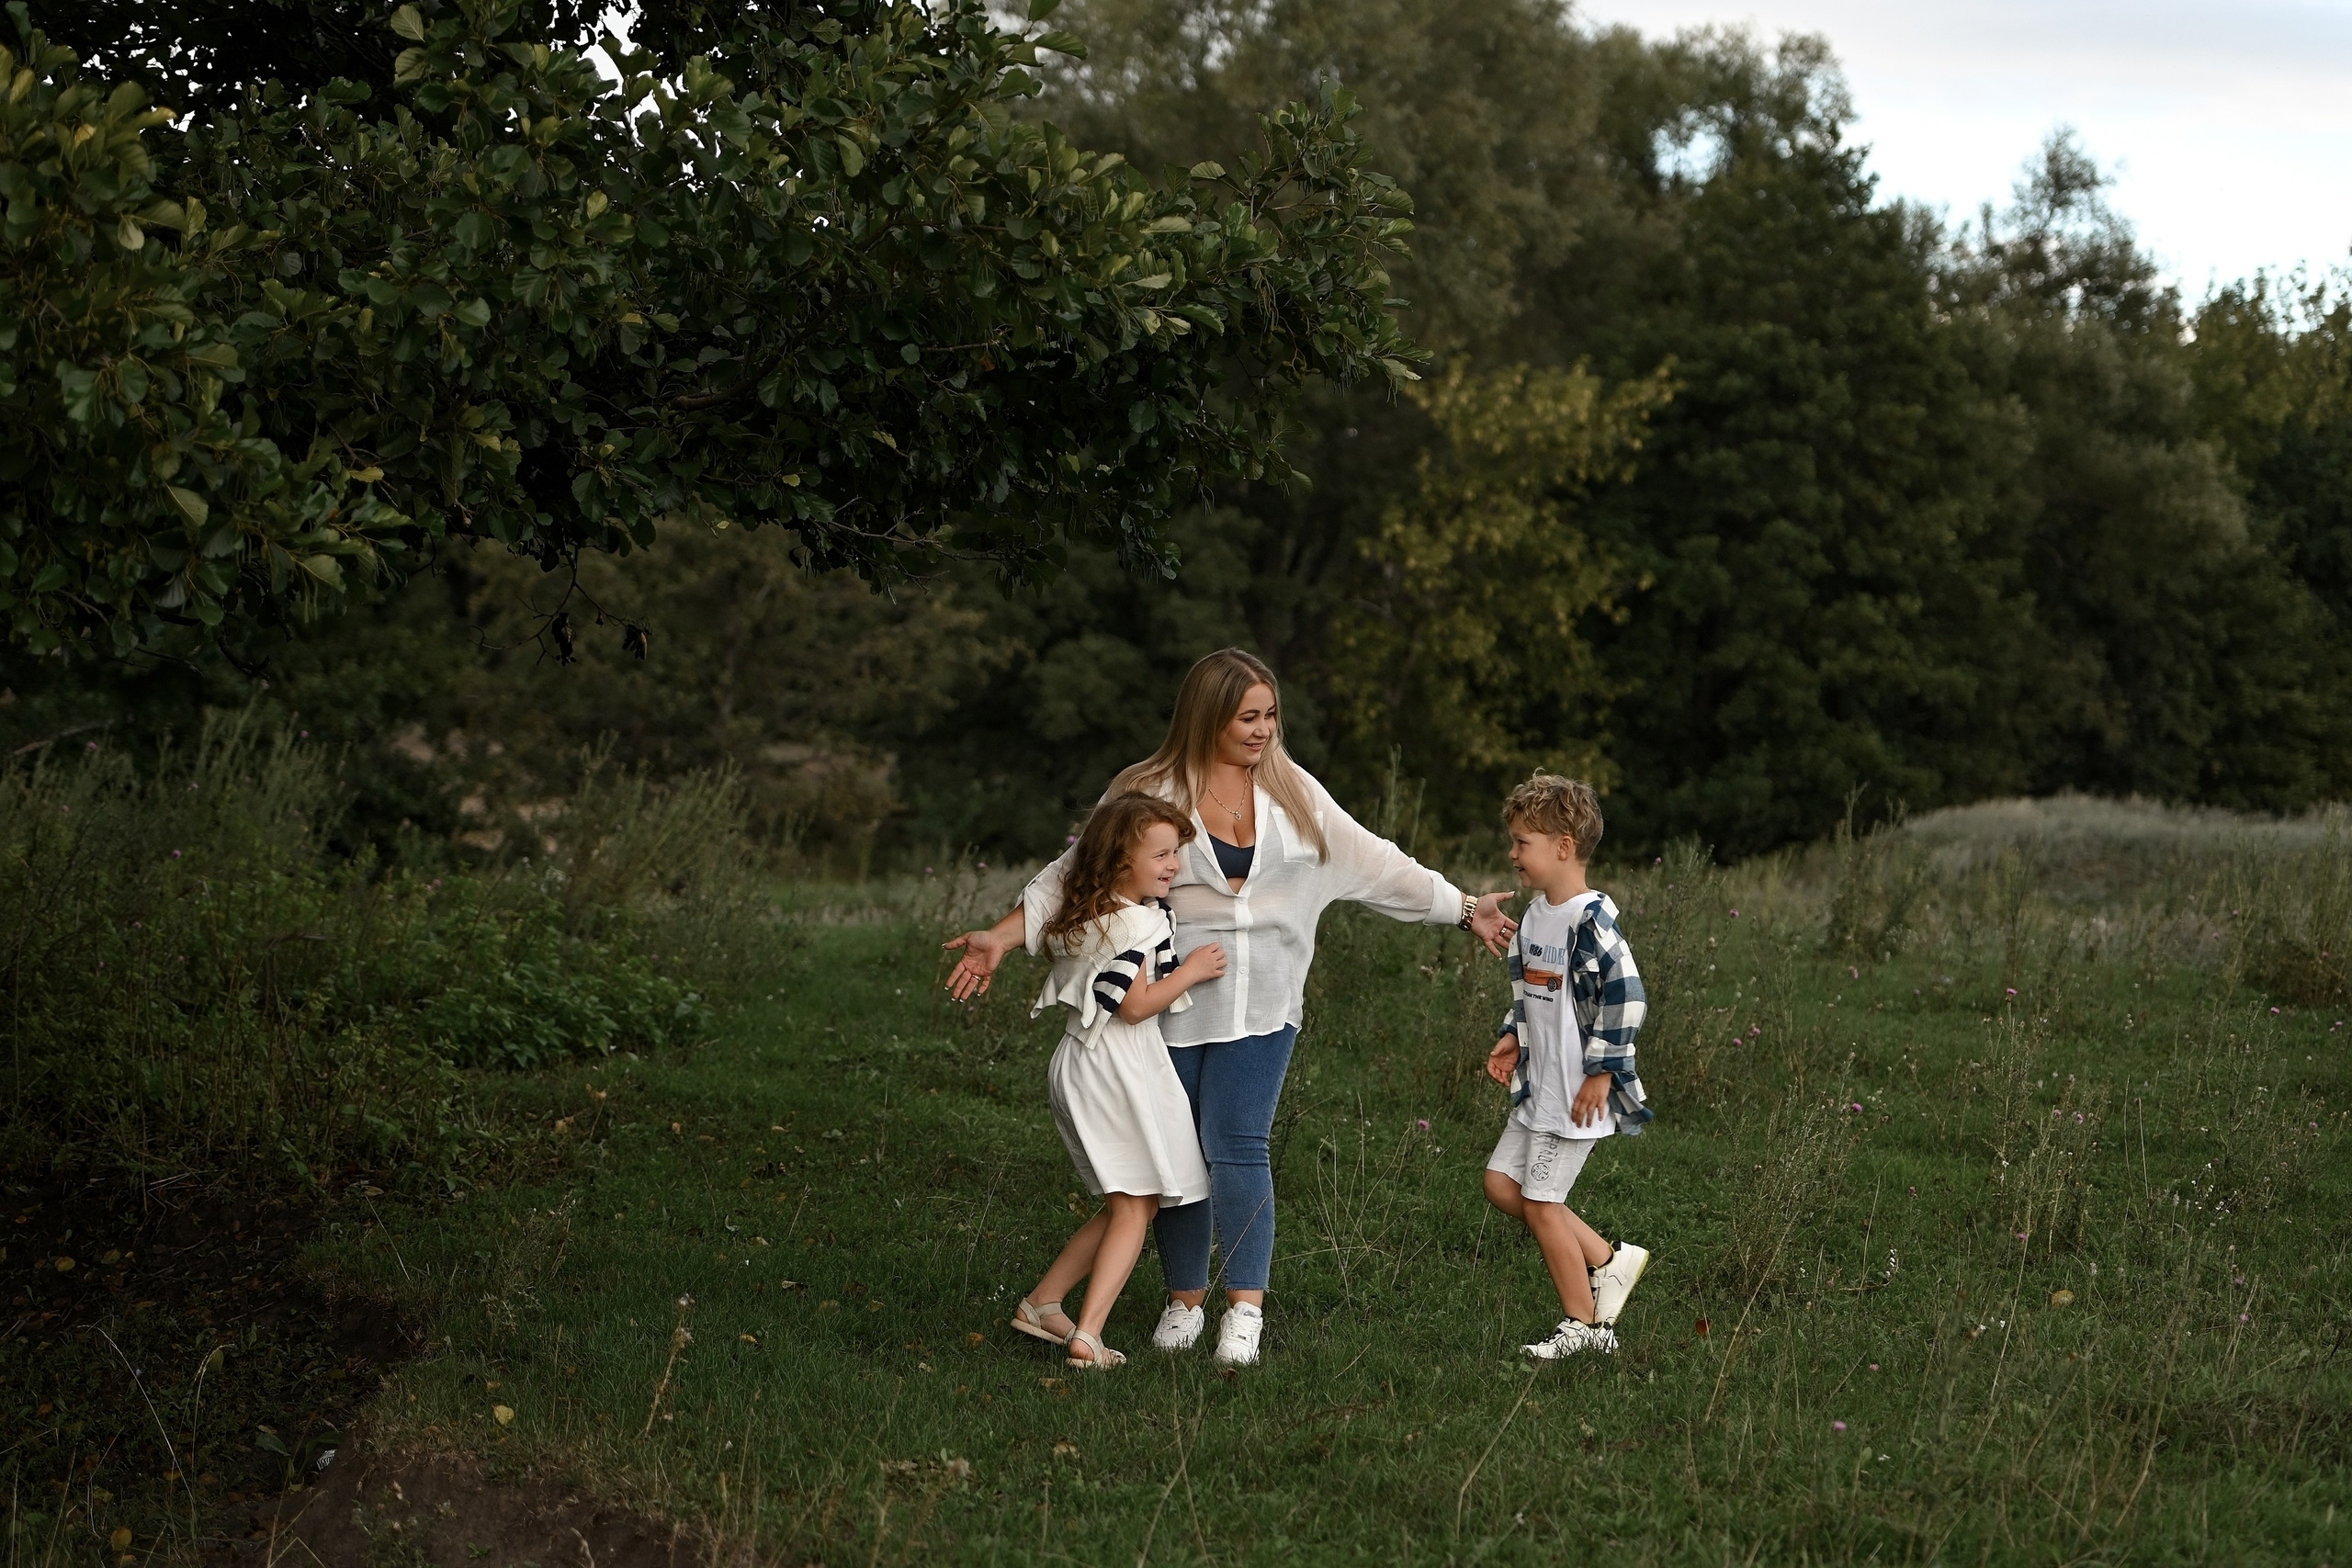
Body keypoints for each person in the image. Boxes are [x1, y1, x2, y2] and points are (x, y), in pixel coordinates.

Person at [948, 648, 1517, 1367]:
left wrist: (1464, 908)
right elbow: (1074, 873)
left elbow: (1376, 862)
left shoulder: (1295, 792)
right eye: (1247, 716)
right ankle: (1184, 1300)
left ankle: (1245, 1309)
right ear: (1208, 715)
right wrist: (1000, 938)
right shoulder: (1147, 790)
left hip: (1266, 1000)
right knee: (1178, 1152)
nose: (1262, 730)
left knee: (1239, 1141)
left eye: (1270, 715)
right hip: (1168, 1005)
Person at [1010, 794, 1227, 1370]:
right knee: (1135, 1207)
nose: (1173, 865)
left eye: (1175, 853)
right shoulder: (1137, 922)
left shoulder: (1089, 912)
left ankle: (1042, 1304)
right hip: (1115, 1062)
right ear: (1120, 858)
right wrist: (1191, 971)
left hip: (1080, 1059)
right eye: (1160, 855)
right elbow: (1132, 1006)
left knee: (1128, 1201)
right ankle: (1089, 1335)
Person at [1479, 773, 1654, 1360]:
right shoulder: (1534, 918)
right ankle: (1607, 1260)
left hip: (1578, 1093)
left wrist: (1602, 1072)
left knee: (1541, 1204)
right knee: (1501, 1185)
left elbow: (1627, 997)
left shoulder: (1590, 921)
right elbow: (1535, 995)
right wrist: (1512, 1036)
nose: (1513, 853)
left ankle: (1585, 1328)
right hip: (1541, 1087)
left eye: (1522, 842)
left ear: (1563, 845)